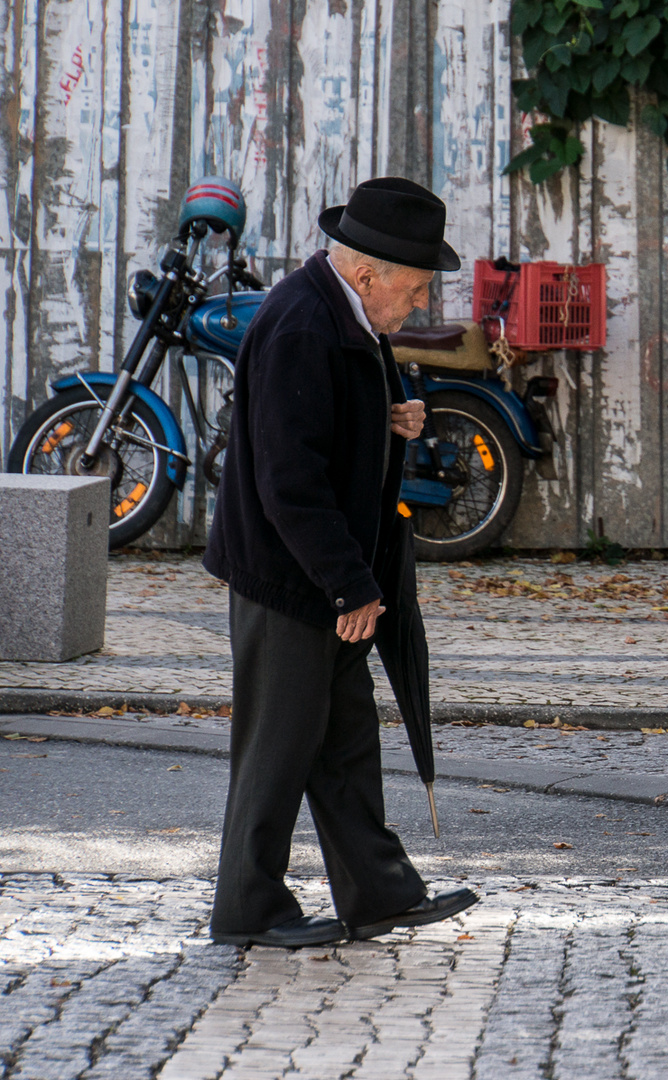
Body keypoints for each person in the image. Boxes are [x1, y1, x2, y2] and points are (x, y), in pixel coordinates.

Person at [203, 177, 478, 948]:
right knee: (277, 746)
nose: (418, 305)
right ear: (367, 274)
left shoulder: (340, 312)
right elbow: (289, 481)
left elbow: (324, 424)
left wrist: (386, 419)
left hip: (317, 574)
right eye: (416, 289)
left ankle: (379, 892)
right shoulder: (305, 323)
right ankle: (248, 909)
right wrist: (349, 586)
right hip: (292, 579)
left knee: (346, 739)